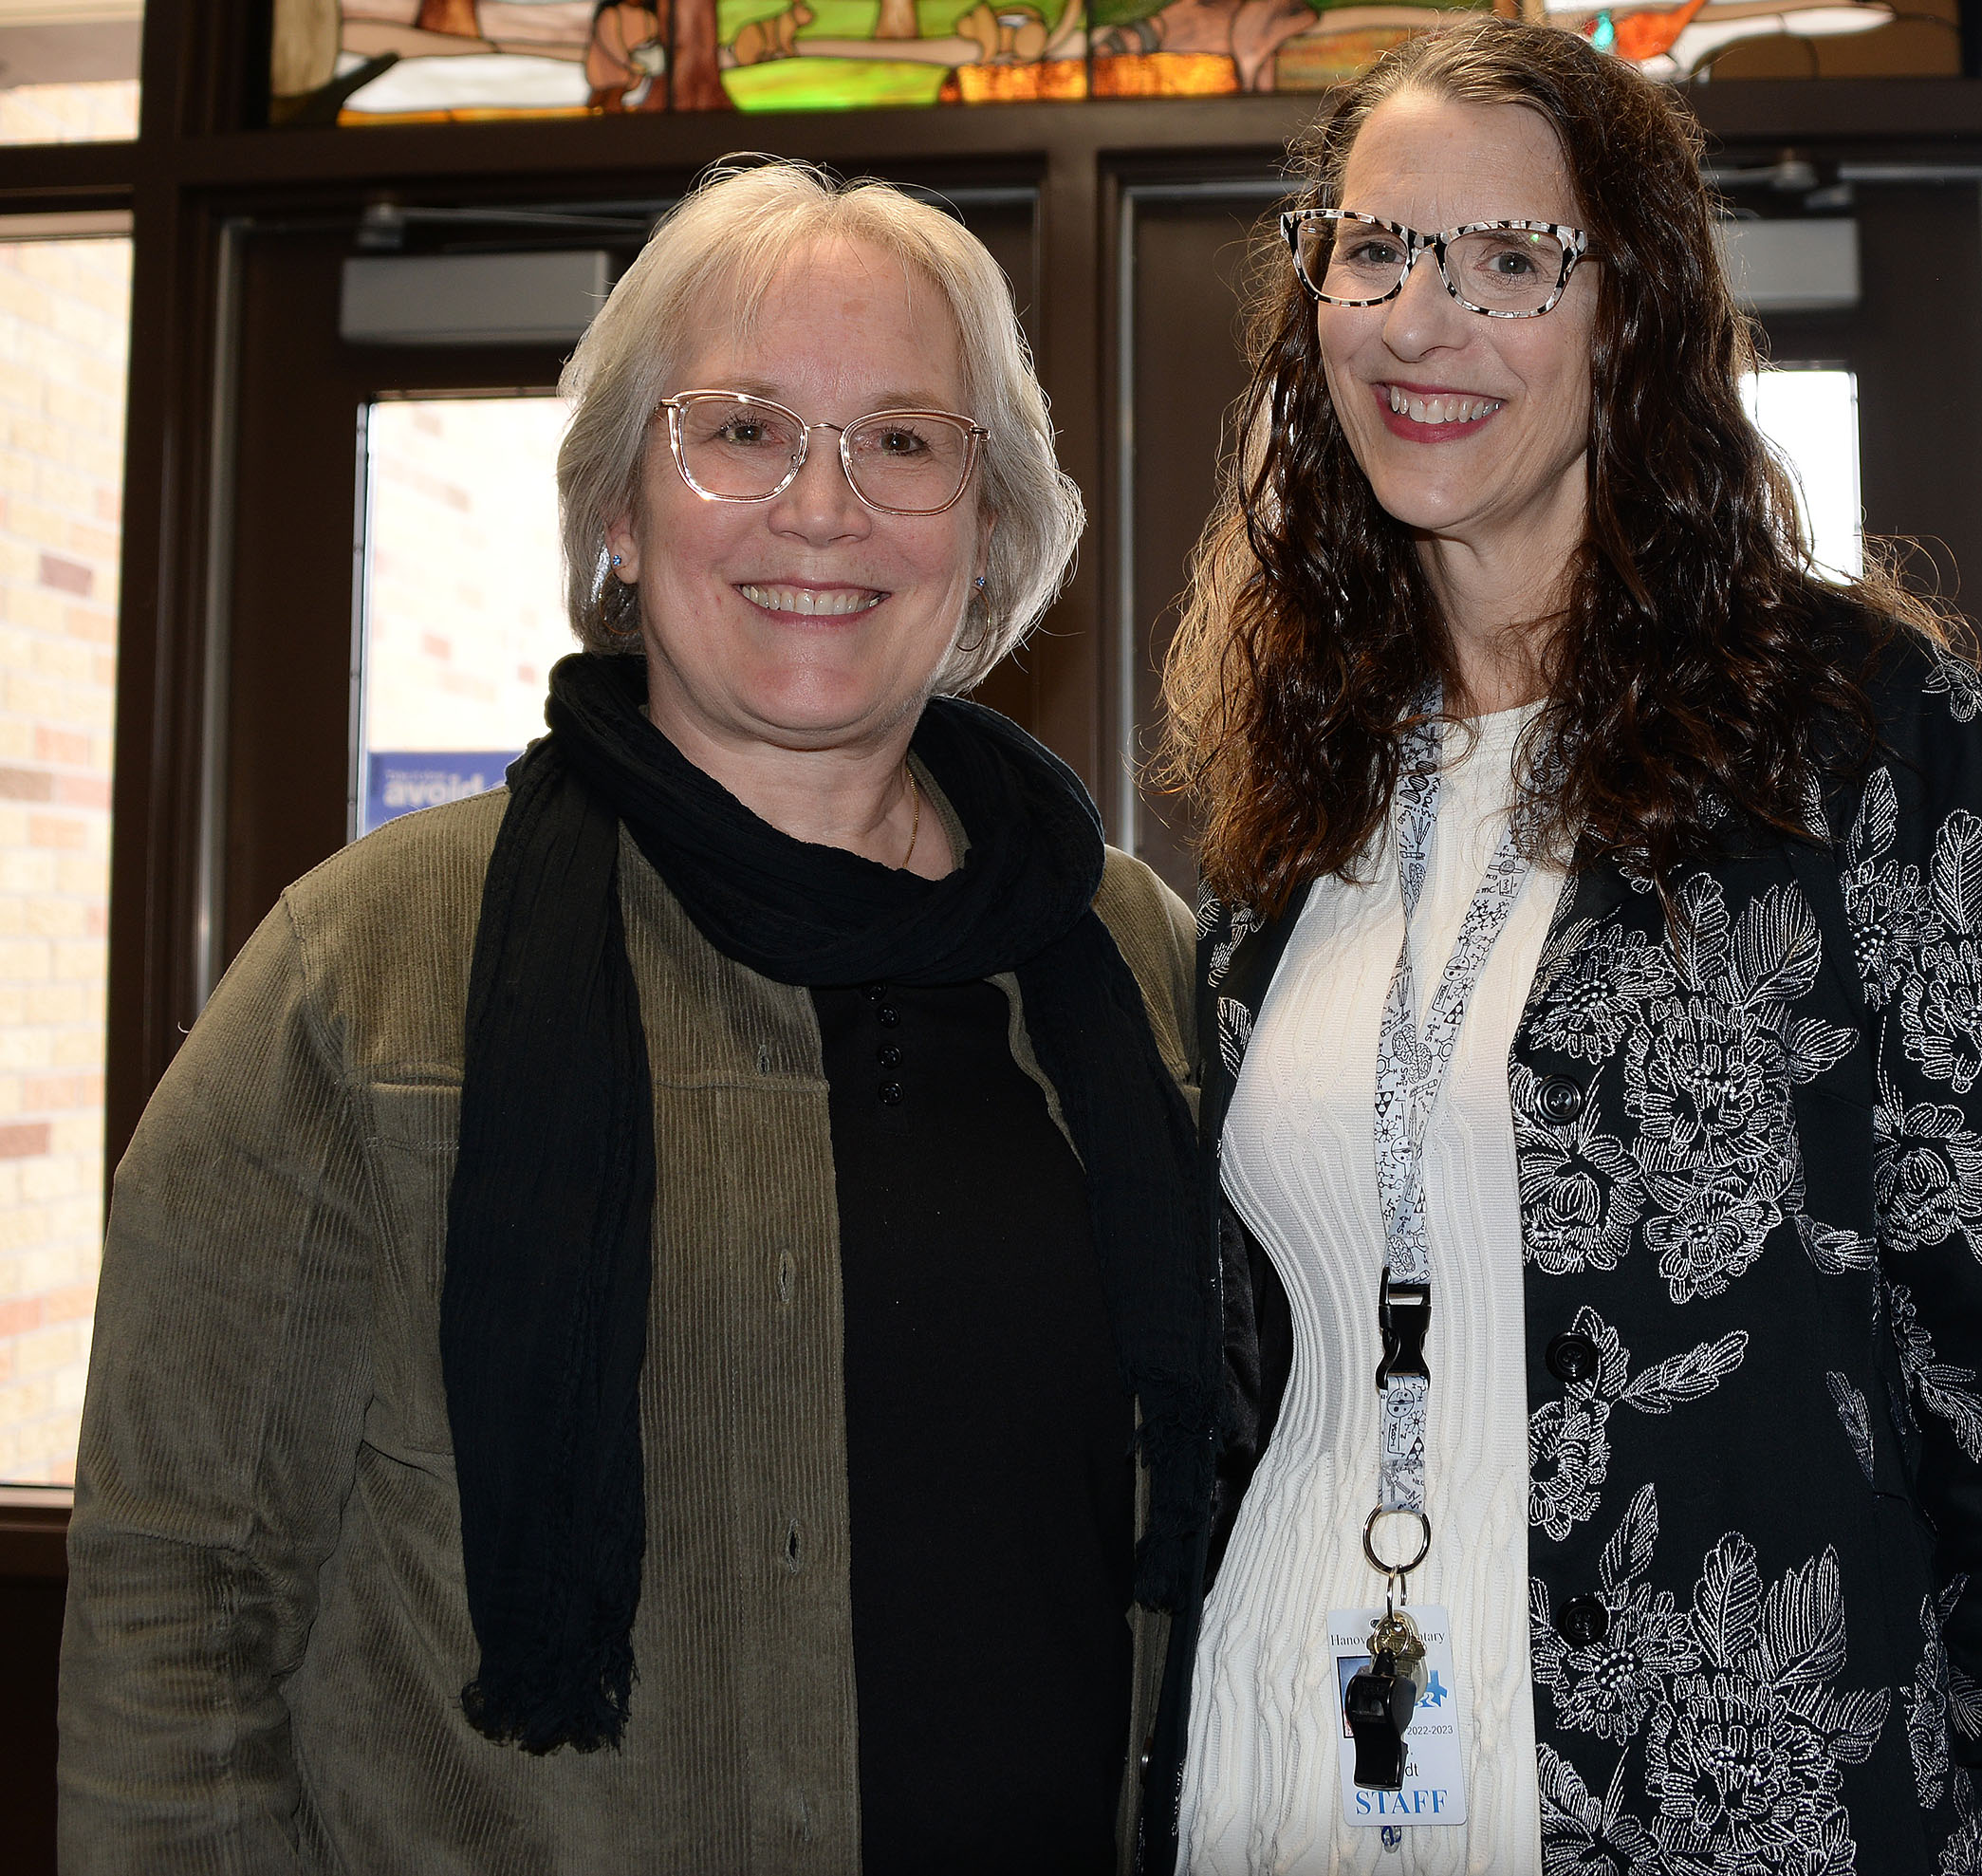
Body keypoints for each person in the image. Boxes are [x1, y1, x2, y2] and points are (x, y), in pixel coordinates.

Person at [59, 161, 1221, 1874]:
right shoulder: (356, 972)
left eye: (904, 441)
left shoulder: (1135, 959)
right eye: (739, 429)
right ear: (620, 506)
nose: (822, 509)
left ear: (989, 531)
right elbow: (179, 1599)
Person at [1159, 18, 1982, 1876]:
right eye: (1372, 249)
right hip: (1294, 1758)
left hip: (1724, 1813)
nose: (1415, 316)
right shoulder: (1295, 798)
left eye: (1510, 261)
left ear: (1638, 318)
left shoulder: (1880, 756)